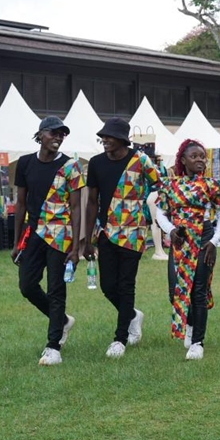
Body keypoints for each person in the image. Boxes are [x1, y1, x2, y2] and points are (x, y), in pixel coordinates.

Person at [84, 117, 160, 359]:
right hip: (106, 232)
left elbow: (160, 184)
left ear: (122, 139)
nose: (104, 140)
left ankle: (120, 339)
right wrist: (87, 239)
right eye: (103, 137)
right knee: (108, 286)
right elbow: (91, 202)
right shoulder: (96, 163)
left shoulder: (141, 160)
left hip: (133, 232)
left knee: (126, 285)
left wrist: (151, 208)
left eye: (109, 136)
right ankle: (132, 316)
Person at [11, 116, 84, 366]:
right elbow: (20, 203)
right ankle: (62, 321)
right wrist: (16, 242)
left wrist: (76, 246)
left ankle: (53, 347)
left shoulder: (71, 166)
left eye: (62, 134)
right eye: (54, 133)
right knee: (27, 286)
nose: (58, 138)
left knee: (56, 289)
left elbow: (76, 208)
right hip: (34, 233)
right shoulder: (25, 163)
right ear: (40, 134)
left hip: (60, 234)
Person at [155, 139, 220, 360]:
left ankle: (198, 342)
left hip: (204, 238)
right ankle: (189, 324)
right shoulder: (171, 185)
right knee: (175, 290)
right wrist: (171, 230)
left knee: (198, 291)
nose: (200, 160)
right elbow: (160, 213)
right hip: (180, 239)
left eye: (202, 156)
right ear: (183, 160)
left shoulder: (211, 185)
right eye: (194, 156)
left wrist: (214, 241)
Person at [147, 154, 170, 261]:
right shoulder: (152, 168)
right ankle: (158, 251)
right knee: (155, 224)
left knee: (157, 224)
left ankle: (159, 250)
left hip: (156, 195)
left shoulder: (158, 168)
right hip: (153, 195)